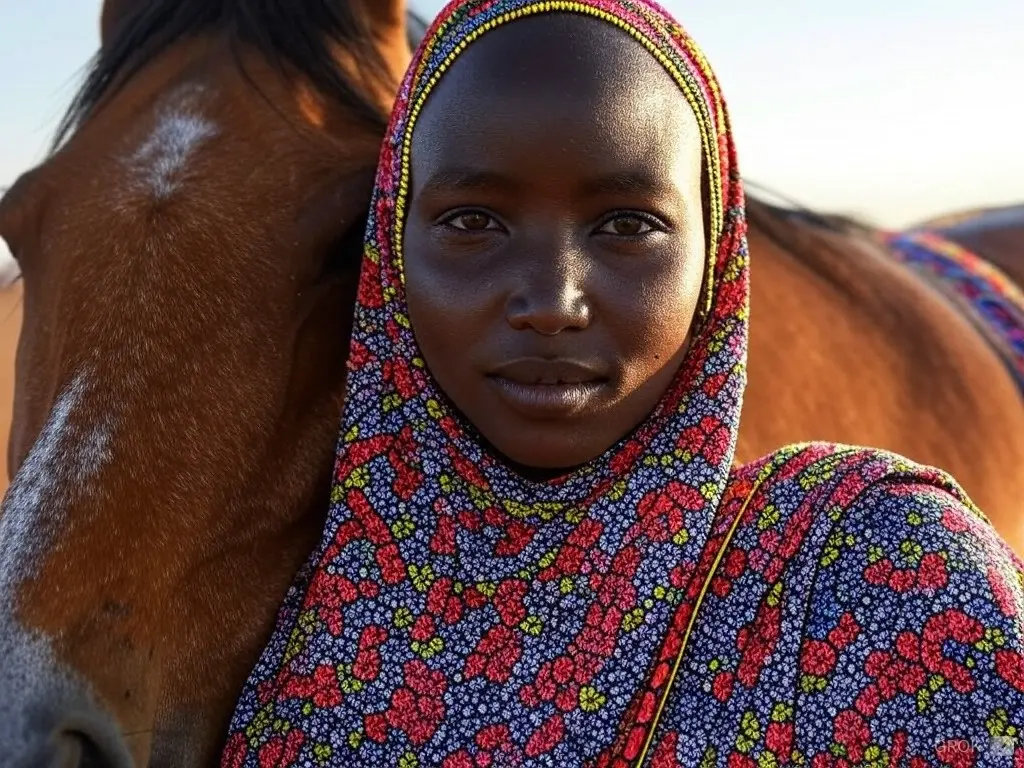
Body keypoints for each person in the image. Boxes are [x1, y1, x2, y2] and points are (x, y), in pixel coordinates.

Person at [221, 0, 1024, 765]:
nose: (551, 303)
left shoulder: (880, 581)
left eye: (627, 225)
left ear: (714, 258)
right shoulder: (263, 619)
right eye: (473, 221)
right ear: (393, 250)